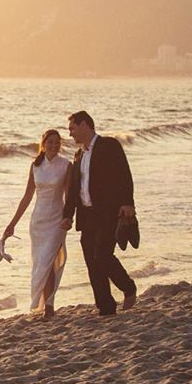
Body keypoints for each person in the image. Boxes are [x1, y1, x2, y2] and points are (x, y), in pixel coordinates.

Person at [61, 111, 138, 316]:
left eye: (72, 128)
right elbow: (75, 189)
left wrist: (128, 203)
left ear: (85, 124)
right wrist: (68, 215)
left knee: (103, 255)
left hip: (107, 212)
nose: (70, 134)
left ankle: (128, 287)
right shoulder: (79, 154)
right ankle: (105, 307)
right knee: (91, 262)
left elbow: (124, 174)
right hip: (86, 216)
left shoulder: (109, 145)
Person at [1, 129, 70, 321]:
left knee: (50, 262)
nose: (54, 146)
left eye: (57, 143)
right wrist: (12, 224)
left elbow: (68, 196)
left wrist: (68, 217)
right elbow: (27, 197)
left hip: (57, 221)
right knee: (41, 264)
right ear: (43, 144)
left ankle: (49, 305)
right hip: (38, 222)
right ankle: (47, 303)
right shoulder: (35, 166)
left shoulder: (66, 165)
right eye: (50, 143)